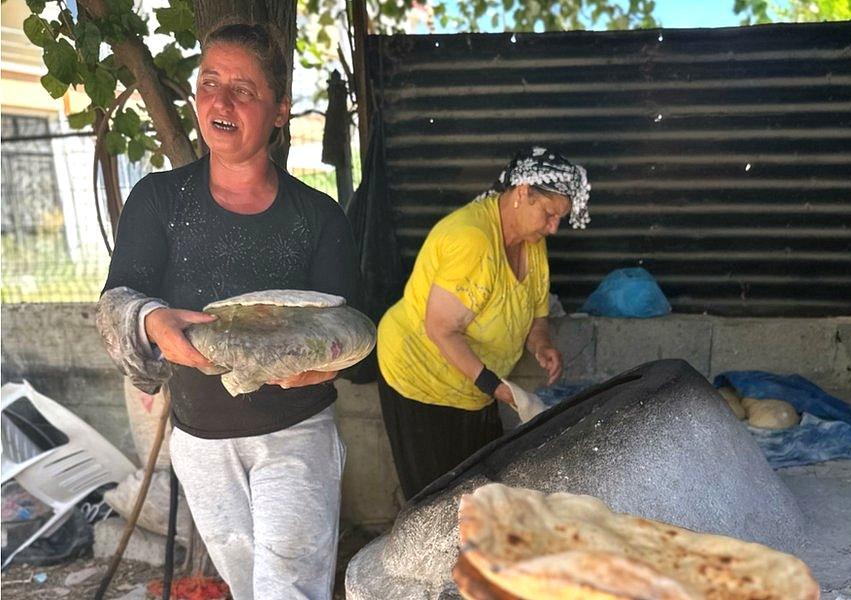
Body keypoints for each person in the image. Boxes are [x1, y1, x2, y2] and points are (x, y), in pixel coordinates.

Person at [95, 23, 360, 600]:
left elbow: (350, 332)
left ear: (280, 110)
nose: (221, 99)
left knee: (287, 587)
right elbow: (118, 302)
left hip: (296, 434)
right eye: (210, 82)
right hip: (199, 441)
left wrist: (325, 366)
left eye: (243, 89)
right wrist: (151, 322)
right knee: (247, 587)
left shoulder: (317, 217)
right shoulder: (159, 201)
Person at [376, 147, 590, 499]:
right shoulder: (473, 241)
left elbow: (536, 312)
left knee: (482, 493)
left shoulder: (530, 243)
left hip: (473, 385)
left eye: (559, 219)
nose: (553, 229)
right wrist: (497, 388)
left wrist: (542, 344)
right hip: (419, 376)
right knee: (436, 500)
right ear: (523, 194)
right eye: (550, 215)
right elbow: (441, 330)